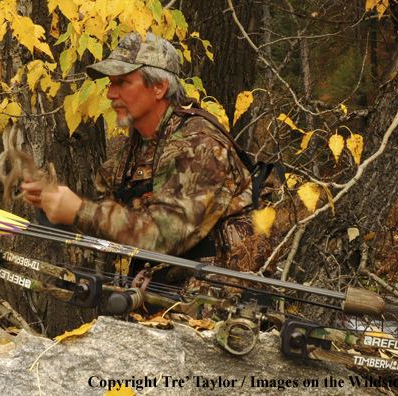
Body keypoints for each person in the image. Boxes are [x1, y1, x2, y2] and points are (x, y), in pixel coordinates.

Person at [21, 33, 273, 279]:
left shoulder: (200, 145)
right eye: (110, 83)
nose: (110, 94)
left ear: (160, 87)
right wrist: (54, 206)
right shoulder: (123, 161)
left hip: (217, 310)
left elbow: (164, 237)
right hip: (154, 304)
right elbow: (109, 231)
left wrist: (78, 210)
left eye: (122, 83)